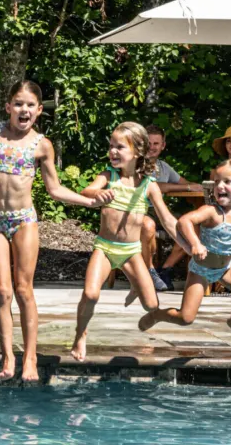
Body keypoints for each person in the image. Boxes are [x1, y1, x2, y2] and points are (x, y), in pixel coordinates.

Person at [0, 80, 111, 383]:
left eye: (30, 105)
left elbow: (54, 189)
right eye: (18, 104)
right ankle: (8, 355)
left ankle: (30, 356)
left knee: (23, 289)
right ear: (8, 107)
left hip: (24, 221)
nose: (24, 110)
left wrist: (88, 200)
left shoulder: (42, 145)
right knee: (2, 291)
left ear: (39, 110)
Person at [138, 159, 231, 345]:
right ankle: (158, 315)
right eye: (217, 182)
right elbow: (184, 221)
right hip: (200, 270)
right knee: (185, 318)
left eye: (227, 182)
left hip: (226, 267)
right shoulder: (211, 211)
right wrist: (195, 243)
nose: (220, 186)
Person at [69, 122, 182, 363]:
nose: (113, 151)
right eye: (111, 146)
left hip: (132, 252)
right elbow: (87, 191)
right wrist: (97, 194)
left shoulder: (149, 186)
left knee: (152, 304)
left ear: (138, 152)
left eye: (120, 147)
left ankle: (134, 284)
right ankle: (80, 334)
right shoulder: (107, 176)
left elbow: (168, 220)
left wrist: (190, 243)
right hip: (105, 248)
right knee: (90, 294)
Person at [140, 125, 200, 291]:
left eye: (156, 143)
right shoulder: (135, 163)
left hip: (160, 211)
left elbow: (184, 182)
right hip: (138, 210)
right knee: (148, 226)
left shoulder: (164, 166)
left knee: (192, 226)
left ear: (163, 146)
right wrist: (188, 188)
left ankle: (165, 270)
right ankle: (149, 271)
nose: (152, 147)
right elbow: (155, 186)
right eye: (148, 143)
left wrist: (203, 187)